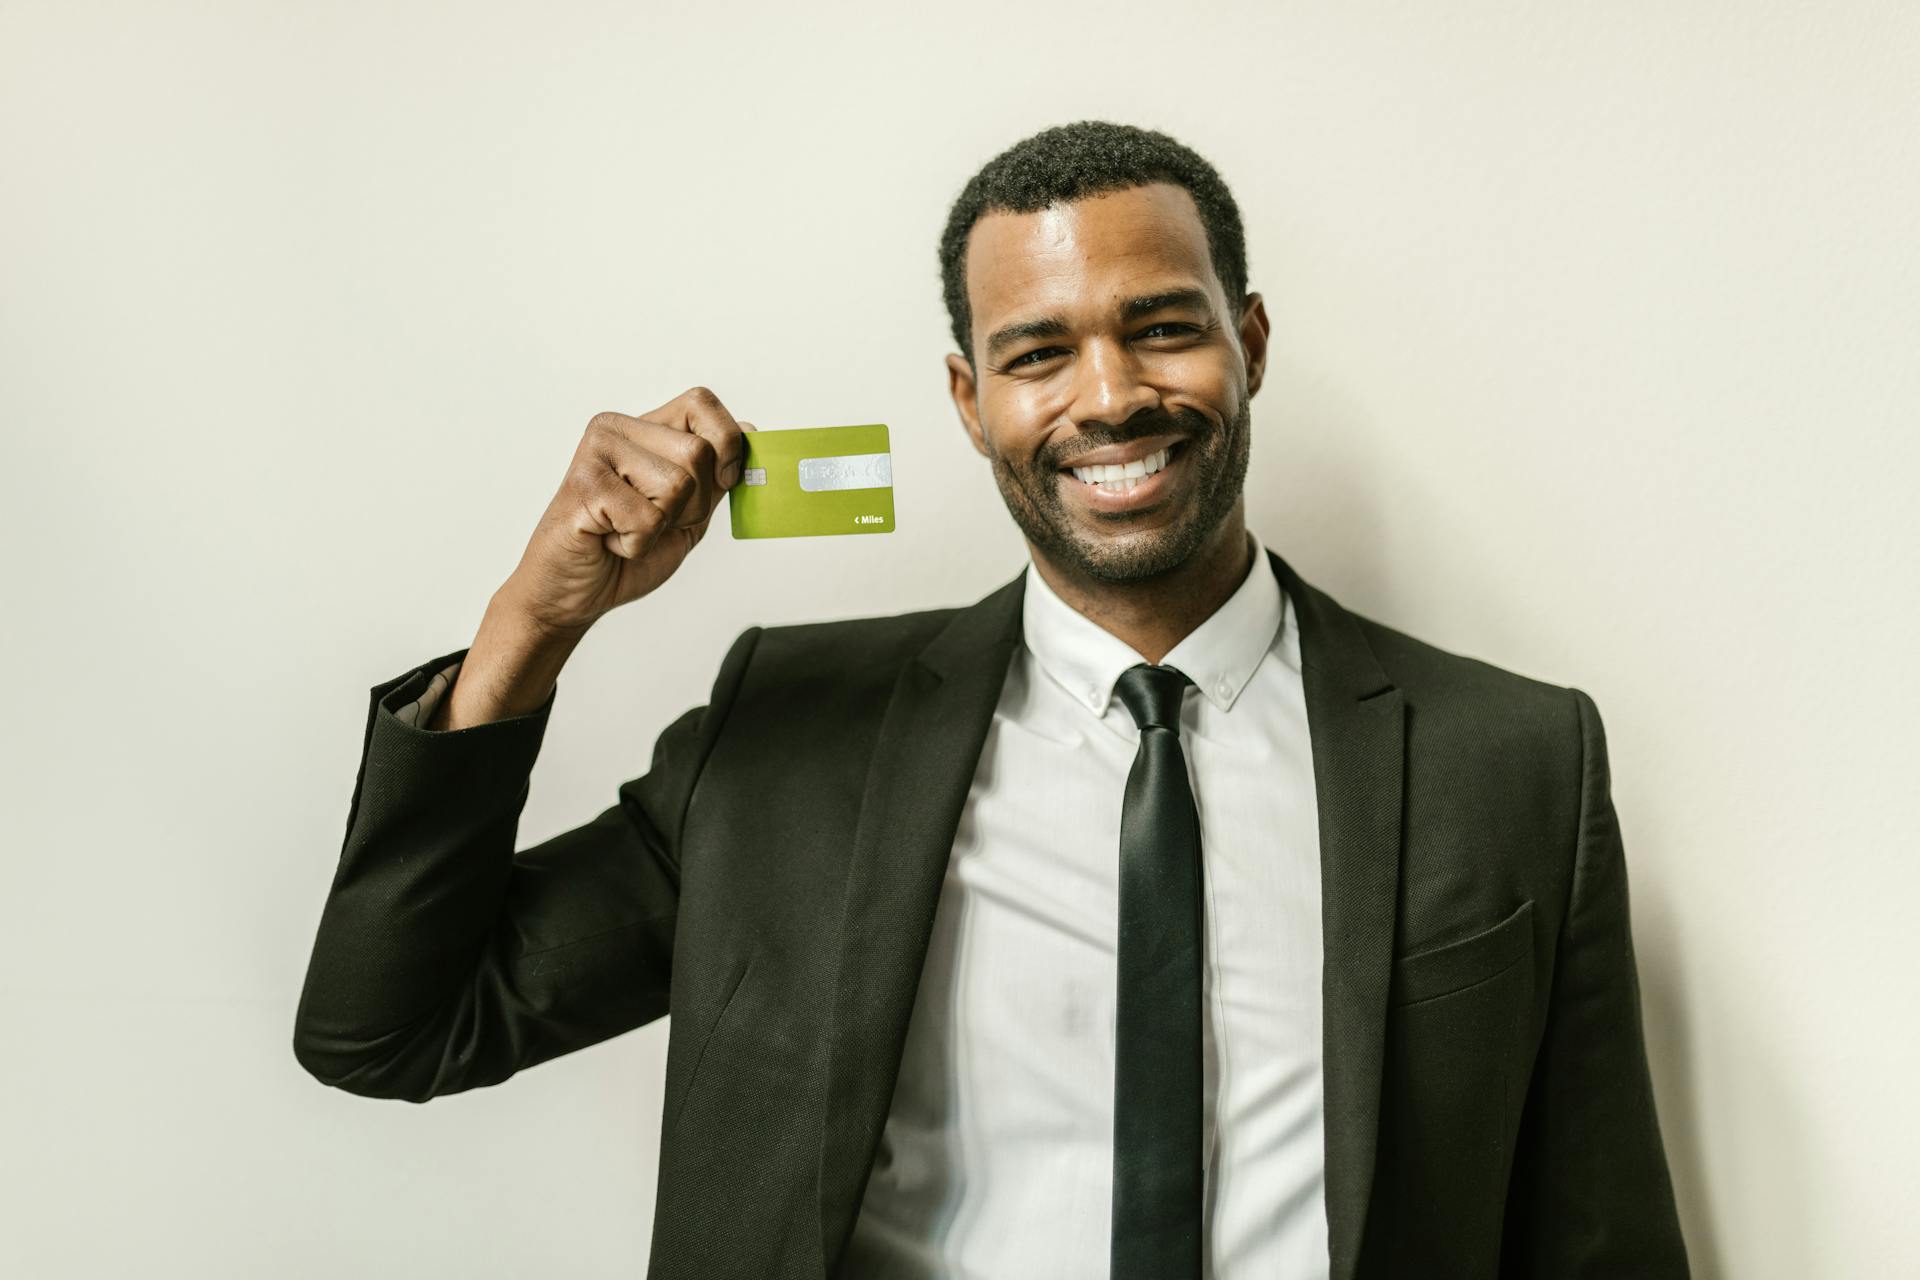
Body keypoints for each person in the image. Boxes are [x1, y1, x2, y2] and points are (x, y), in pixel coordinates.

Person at [293, 120, 1690, 1280]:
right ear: (970, 398)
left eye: (1162, 328)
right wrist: (532, 627)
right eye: (1038, 354)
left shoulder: (1513, 759)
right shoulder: (792, 736)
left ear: (1249, 342)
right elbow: (393, 1025)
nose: (1112, 395)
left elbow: (1602, 1244)